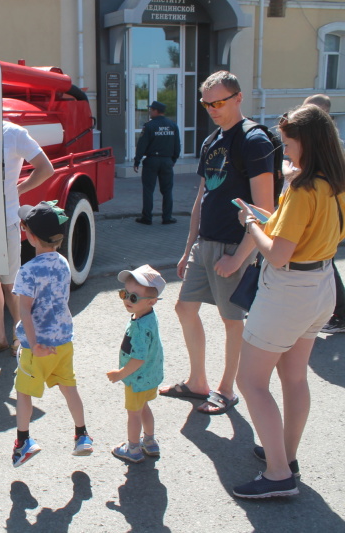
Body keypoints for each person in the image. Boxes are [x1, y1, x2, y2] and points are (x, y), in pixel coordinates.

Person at [232, 104, 345, 498]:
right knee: (294, 377)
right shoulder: (334, 182)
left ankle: (278, 474)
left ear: (306, 142)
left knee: (250, 380)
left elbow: (278, 254)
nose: (284, 149)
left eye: (288, 142)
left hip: (288, 291)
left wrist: (250, 225)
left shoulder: (302, 188)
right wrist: (265, 216)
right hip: (321, 285)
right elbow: (296, 231)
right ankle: (286, 456)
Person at [158, 71, 275, 415]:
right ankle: (198, 383)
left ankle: (227, 390)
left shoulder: (254, 140)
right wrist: (187, 249)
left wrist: (239, 258)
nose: (212, 109)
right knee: (184, 307)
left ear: (239, 98)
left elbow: (265, 209)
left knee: (232, 321)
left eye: (219, 102)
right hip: (204, 245)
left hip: (233, 247)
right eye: (206, 103)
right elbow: (201, 200)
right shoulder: (211, 142)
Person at [0, 84, 55, 357]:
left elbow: (46, 168)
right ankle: (0, 339)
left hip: (5, 220)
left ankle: (20, 339)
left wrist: (20, 189)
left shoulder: (14, 134)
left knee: (10, 283)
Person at [11, 201, 92, 466]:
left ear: (30, 236)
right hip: (63, 342)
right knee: (70, 389)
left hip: (39, 347)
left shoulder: (28, 271)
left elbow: (25, 311)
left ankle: (23, 442)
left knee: (23, 393)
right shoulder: (63, 263)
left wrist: (33, 345)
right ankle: (82, 435)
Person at [107, 265, 166, 463]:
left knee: (133, 415)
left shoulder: (140, 327)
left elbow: (138, 358)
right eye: (124, 293)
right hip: (150, 376)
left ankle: (133, 448)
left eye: (133, 297)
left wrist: (121, 374)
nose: (126, 300)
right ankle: (149, 442)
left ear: (151, 301)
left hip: (137, 378)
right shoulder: (148, 316)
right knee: (144, 407)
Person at [298, 95, 345, 335]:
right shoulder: (328, 145)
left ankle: (340, 314)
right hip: (325, 218)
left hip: (326, 218)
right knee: (324, 265)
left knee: (322, 264)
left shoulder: (332, 147)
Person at [133, 101, 181, 225]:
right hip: (167, 161)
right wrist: (173, 160)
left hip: (152, 161)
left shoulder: (149, 126)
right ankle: (167, 217)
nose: (149, 111)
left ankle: (147, 218)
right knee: (167, 191)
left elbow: (142, 145)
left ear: (156, 111)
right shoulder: (173, 125)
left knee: (148, 190)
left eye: (151, 110)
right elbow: (177, 146)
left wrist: (137, 160)